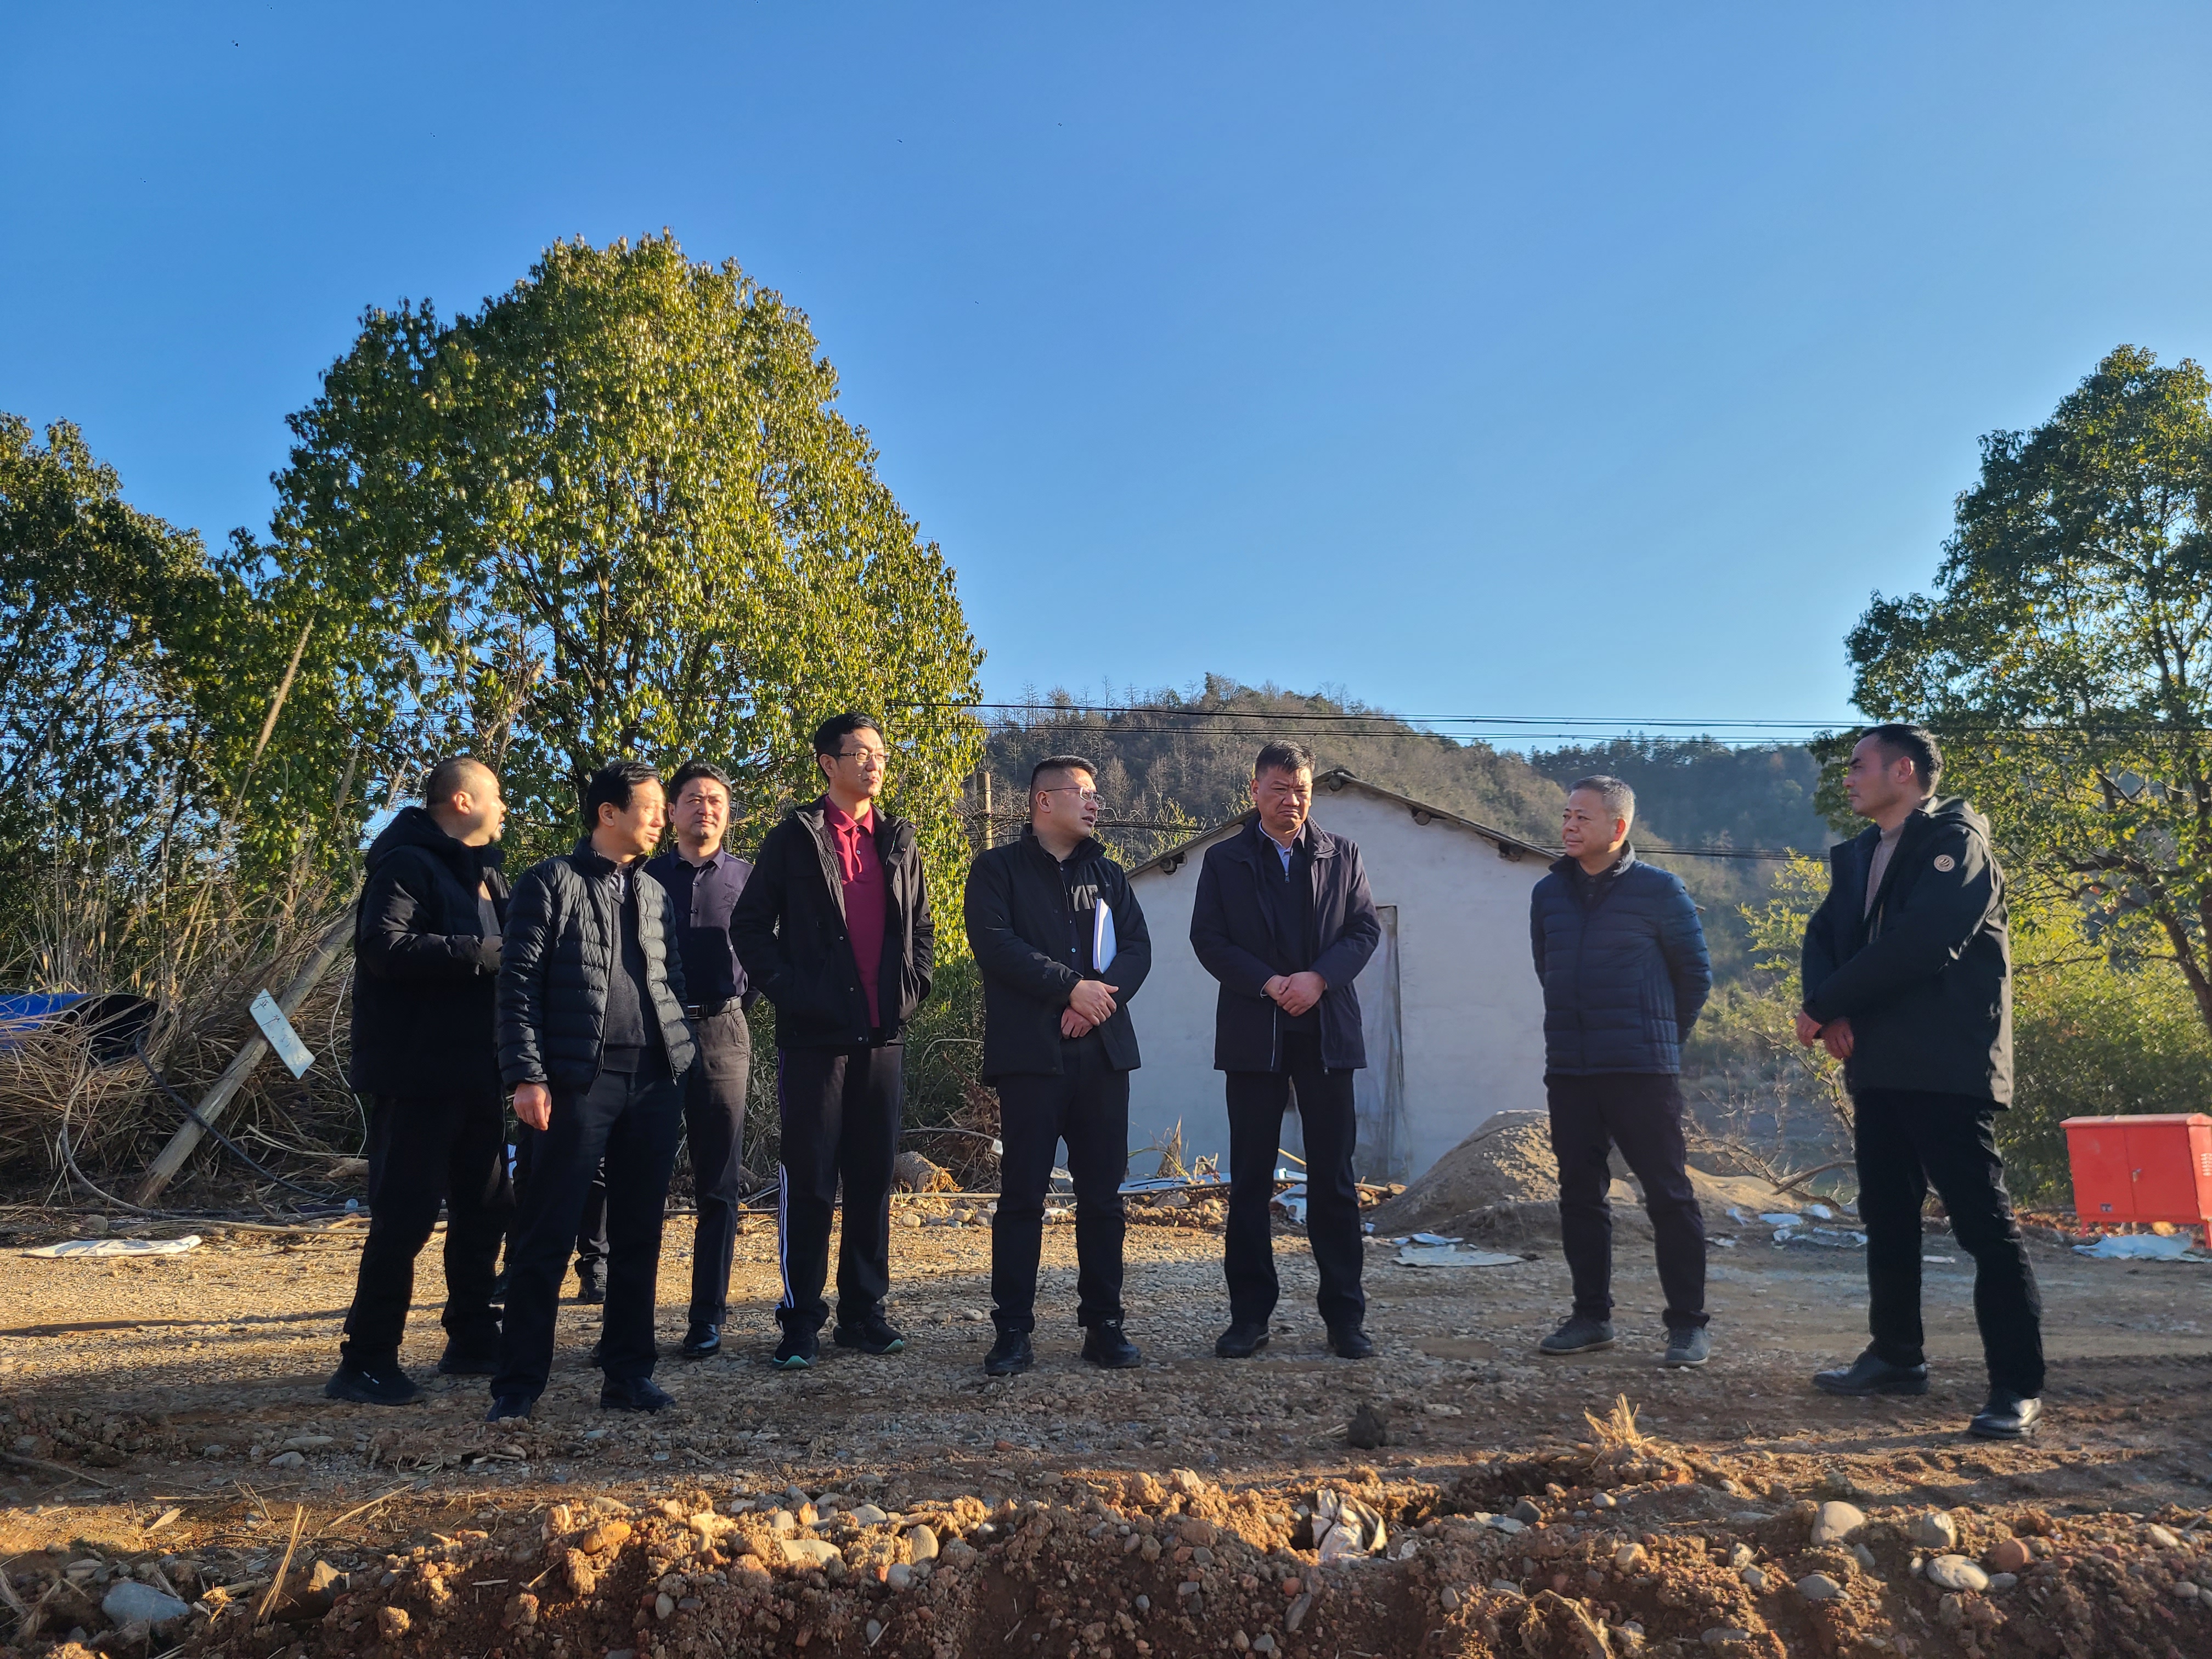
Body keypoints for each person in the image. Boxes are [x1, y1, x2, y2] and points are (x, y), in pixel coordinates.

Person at [1798, 724, 2042, 1440]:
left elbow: (1923, 944)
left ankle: (2018, 1387)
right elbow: (1823, 937)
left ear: (1902, 771)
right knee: (1888, 1217)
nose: (1848, 777)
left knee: (1983, 1227)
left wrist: (1824, 1004)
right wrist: (1833, 1008)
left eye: (1859, 765)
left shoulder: (1956, 846)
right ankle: (1897, 1356)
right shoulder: (1861, 855)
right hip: (1878, 1066)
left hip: (1945, 1067)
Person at [488, 760, 697, 1421]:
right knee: (546, 1234)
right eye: (652, 807)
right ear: (609, 813)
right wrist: (527, 1075)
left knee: (639, 1235)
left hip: (654, 1081)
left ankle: (629, 1376)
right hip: (577, 1081)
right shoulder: (550, 881)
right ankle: (518, 1387)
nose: (662, 818)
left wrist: (682, 1052)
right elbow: (517, 985)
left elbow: (671, 982)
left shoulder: (655, 892)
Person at [731, 713, 935, 1371]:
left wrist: (911, 991)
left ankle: (863, 1313)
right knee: (811, 1178)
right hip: (814, 1039)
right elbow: (750, 927)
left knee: (873, 1177)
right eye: (860, 753)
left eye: (881, 754)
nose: (874, 764)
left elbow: (922, 930)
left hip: (882, 1036)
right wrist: (796, 994)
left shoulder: (899, 839)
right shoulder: (795, 838)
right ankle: (800, 1321)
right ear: (828, 763)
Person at [326, 758, 513, 1406]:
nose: (505, 807)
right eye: (496, 796)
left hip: (479, 1071)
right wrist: (479, 953)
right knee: (404, 1218)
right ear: (461, 801)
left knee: (486, 1207)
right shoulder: (405, 864)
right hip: (416, 1074)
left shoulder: (487, 873)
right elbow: (383, 947)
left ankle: (472, 1338)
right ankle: (367, 1360)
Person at [1190, 741, 1381, 1361]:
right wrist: (1270, 983)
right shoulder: (1225, 860)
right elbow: (1209, 939)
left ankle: (1345, 1318)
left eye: (1301, 790)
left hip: (1327, 1032)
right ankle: (1249, 1319)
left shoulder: (1341, 854)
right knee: (1250, 1180)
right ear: (1254, 791)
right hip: (1255, 1032)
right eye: (1279, 789)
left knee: (1335, 1180)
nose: (1291, 801)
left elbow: (1364, 930)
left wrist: (1318, 979)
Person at [964, 755, 1153, 1375]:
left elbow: (1137, 950)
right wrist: (1070, 989)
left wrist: (1095, 1006)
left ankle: (1104, 1325)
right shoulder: (996, 870)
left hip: (1102, 1055)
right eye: (1084, 792)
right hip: (1031, 1057)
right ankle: (1013, 1331)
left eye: (1096, 794)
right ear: (1043, 801)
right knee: (1022, 1196)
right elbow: (996, 946)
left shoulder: (1109, 874)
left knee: (1103, 1197)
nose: (1095, 803)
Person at [1527, 775, 1714, 1368]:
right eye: (1566, 815)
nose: (1569, 825)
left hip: (1642, 1070)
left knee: (1668, 1195)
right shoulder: (1548, 894)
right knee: (1580, 1195)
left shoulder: (1660, 890)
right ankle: (1591, 1318)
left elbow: (1695, 976)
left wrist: (1660, 1039)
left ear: (1618, 827)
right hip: (1571, 1069)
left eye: (1582, 817)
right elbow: (1548, 969)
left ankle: (1687, 1326)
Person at [644, 761, 756, 1360]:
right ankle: (630, 1320)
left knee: (719, 1183)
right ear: (672, 812)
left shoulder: (749, 878)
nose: (704, 809)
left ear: (727, 813)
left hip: (723, 1031)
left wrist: (732, 1006)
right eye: (692, 799)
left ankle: (706, 1317)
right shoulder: (644, 875)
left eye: (715, 800)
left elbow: (763, 956)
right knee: (642, 1177)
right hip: (651, 1033)